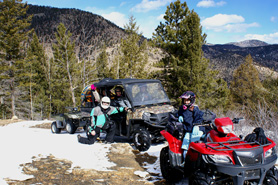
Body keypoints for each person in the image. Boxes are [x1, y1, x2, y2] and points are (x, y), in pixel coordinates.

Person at [177, 91, 204, 159]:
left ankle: (198, 160)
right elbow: (178, 113)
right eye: (184, 100)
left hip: (195, 130)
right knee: (186, 142)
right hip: (188, 130)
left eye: (188, 100)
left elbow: (199, 117)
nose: (186, 102)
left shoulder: (194, 109)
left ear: (191, 100)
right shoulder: (182, 108)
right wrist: (179, 116)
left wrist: (197, 126)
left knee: (195, 144)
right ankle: (185, 159)